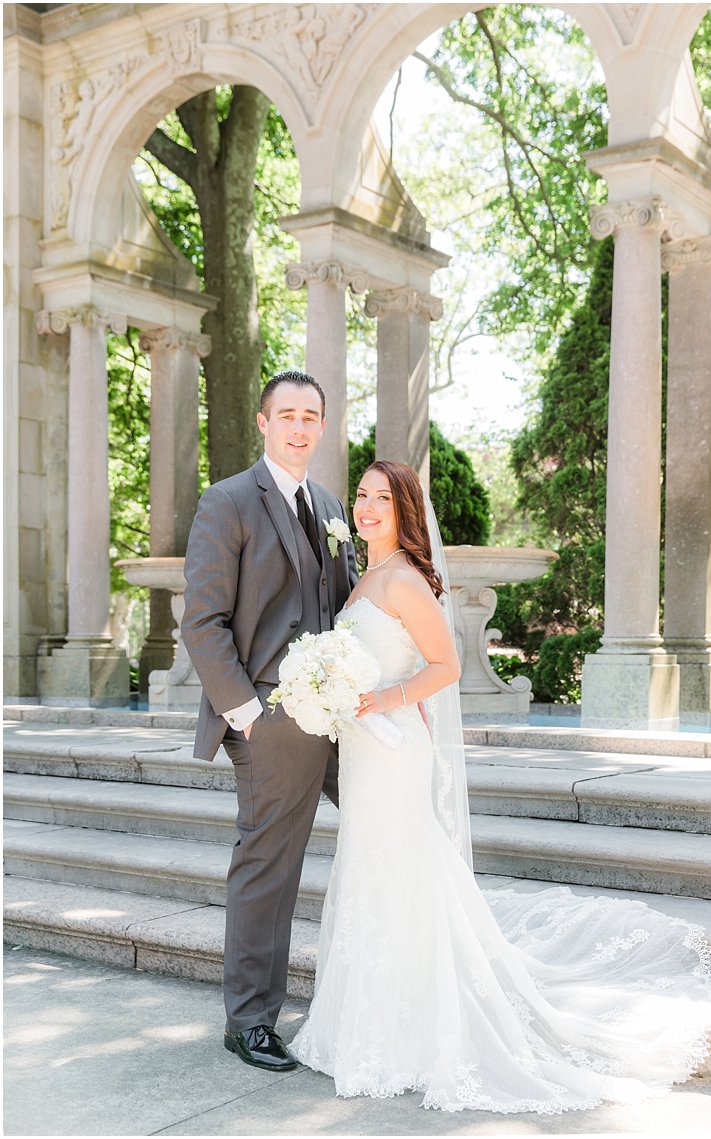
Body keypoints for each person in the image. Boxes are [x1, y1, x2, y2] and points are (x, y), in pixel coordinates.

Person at [285, 459, 711, 1113]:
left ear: (406, 510)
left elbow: (447, 665)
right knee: (370, 867)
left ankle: (413, 1025)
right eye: (363, 495)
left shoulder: (403, 579)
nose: (369, 506)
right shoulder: (361, 577)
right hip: (364, 751)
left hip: (396, 745)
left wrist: (383, 697)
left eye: (384, 497)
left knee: (402, 867)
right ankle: (368, 1015)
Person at [181, 370, 359, 1072]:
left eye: (311, 415)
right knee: (269, 870)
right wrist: (247, 713)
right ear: (263, 422)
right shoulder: (227, 502)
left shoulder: (330, 504)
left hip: (338, 716)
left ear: (321, 425)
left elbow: (340, 608)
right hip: (269, 719)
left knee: (395, 832)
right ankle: (249, 1021)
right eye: (286, 414)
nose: (299, 426)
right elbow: (201, 620)